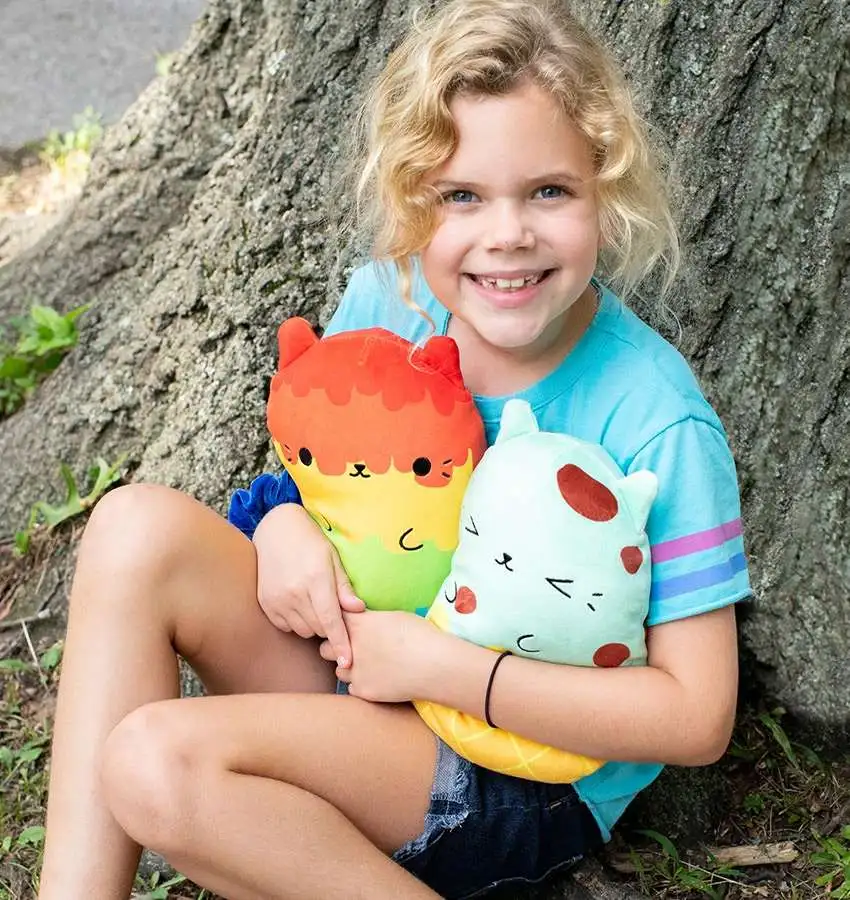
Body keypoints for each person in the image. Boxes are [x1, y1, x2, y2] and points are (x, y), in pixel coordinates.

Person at [38, 1, 751, 897]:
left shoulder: (652, 414)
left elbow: (696, 716)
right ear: (413, 199)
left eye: (549, 191)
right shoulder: (389, 305)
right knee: (132, 526)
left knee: (156, 764)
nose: (507, 234)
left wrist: (447, 669)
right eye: (462, 196)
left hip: (516, 771)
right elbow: (325, 482)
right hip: (360, 682)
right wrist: (283, 525)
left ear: (605, 192)